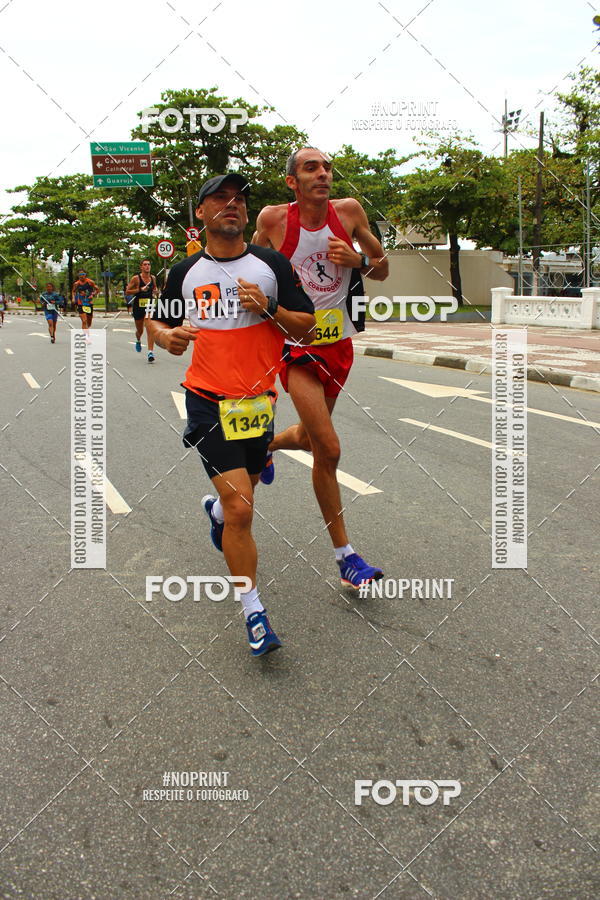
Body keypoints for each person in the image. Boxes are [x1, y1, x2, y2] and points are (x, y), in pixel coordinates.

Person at [149, 173, 315, 657]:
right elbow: (157, 320)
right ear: (201, 213)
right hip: (207, 400)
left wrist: (270, 308)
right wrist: (165, 336)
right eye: (219, 198)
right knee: (243, 508)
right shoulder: (184, 272)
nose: (232, 204)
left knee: (244, 492)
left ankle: (215, 511)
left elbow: (306, 328)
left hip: (259, 403)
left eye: (239, 198)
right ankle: (254, 612)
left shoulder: (271, 265)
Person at [253, 146, 389, 590]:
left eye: (327, 167)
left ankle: (267, 446)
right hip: (296, 346)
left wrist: (359, 261)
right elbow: (247, 269)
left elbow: (382, 268)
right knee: (328, 449)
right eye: (311, 168)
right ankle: (346, 557)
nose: (323, 174)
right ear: (292, 181)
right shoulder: (274, 220)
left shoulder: (349, 212)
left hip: (338, 346)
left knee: (312, 438)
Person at [125, 259, 158, 362]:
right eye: (145, 264)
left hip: (149, 305)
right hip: (138, 307)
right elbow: (127, 292)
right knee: (140, 330)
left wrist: (156, 292)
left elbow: (155, 289)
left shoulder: (153, 278)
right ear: (141, 267)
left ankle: (150, 352)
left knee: (150, 328)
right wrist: (140, 289)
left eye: (149, 264)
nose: (147, 266)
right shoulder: (136, 278)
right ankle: (138, 339)